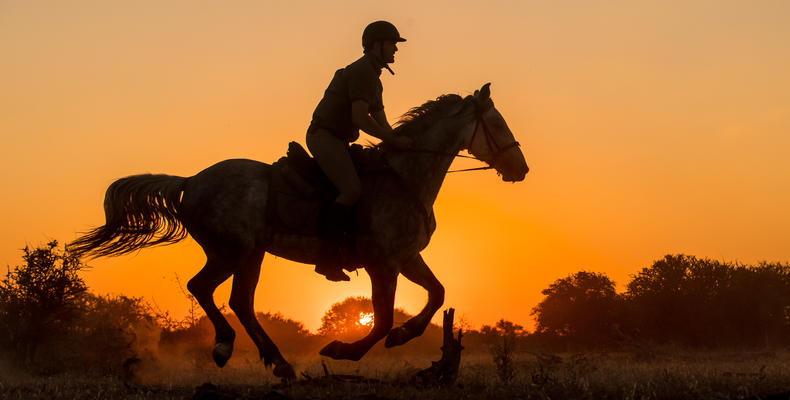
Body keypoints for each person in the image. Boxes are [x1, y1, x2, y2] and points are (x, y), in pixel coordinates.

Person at [306, 21, 412, 282]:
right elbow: (360, 119)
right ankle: (327, 258)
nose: (396, 50)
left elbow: (383, 123)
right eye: (392, 44)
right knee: (351, 189)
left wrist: (402, 141)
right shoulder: (363, 71)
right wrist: (392, 140)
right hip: (324, 137)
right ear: (377, 46)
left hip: (338, 140)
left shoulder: (375, 79)